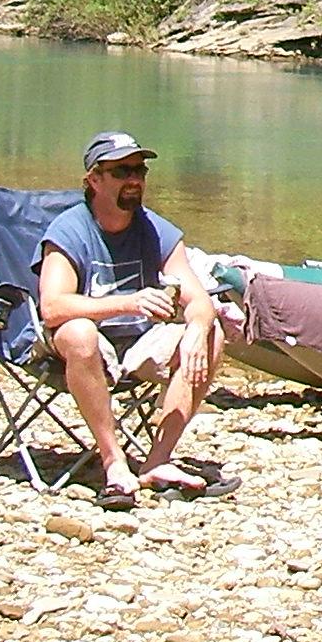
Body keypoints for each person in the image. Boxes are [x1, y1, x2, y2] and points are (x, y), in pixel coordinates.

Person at [34, 130, 232, 510]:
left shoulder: (156, 230)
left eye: (139, 171)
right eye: (122, 171)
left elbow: (198, 299)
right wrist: (127, 303)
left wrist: (197, 328)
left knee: (211, 333)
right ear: (94, 179)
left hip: (139, 343)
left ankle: (158, 461)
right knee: (79, 333)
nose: (134, 180)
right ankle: (114, 463)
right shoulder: (68, 230)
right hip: (85, 345)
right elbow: (53, 307)